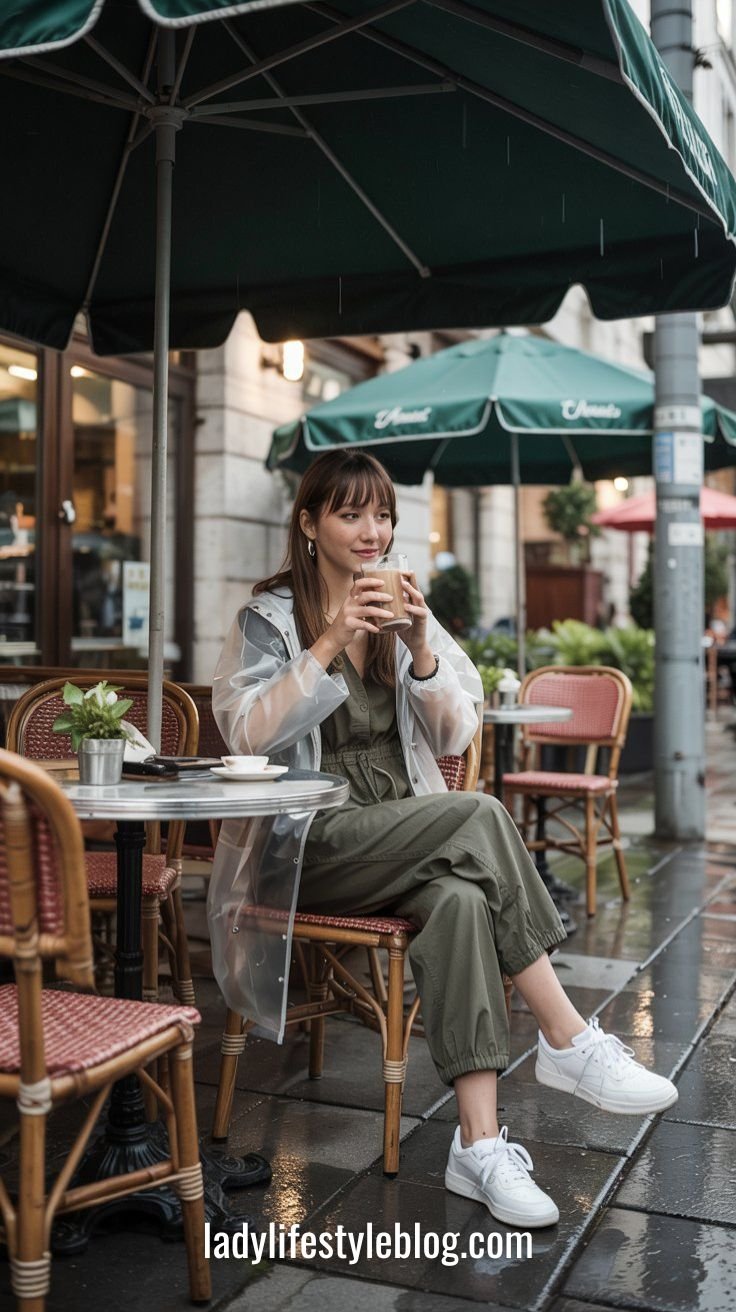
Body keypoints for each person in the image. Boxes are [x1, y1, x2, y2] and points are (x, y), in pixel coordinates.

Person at [210, 450, 677, 1230]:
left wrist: (422, 645)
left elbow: (462, 726)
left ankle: (479, 1145)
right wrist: (327, 642)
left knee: (461, 901)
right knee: (483, 814)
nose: (373, 531)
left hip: (405, 831)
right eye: (352, 513)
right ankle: (567, 1036)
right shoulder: (268, 619)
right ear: (309, 523)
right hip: (309, 841)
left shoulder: (400, 611)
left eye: (382, 514)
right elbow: (246, 729)